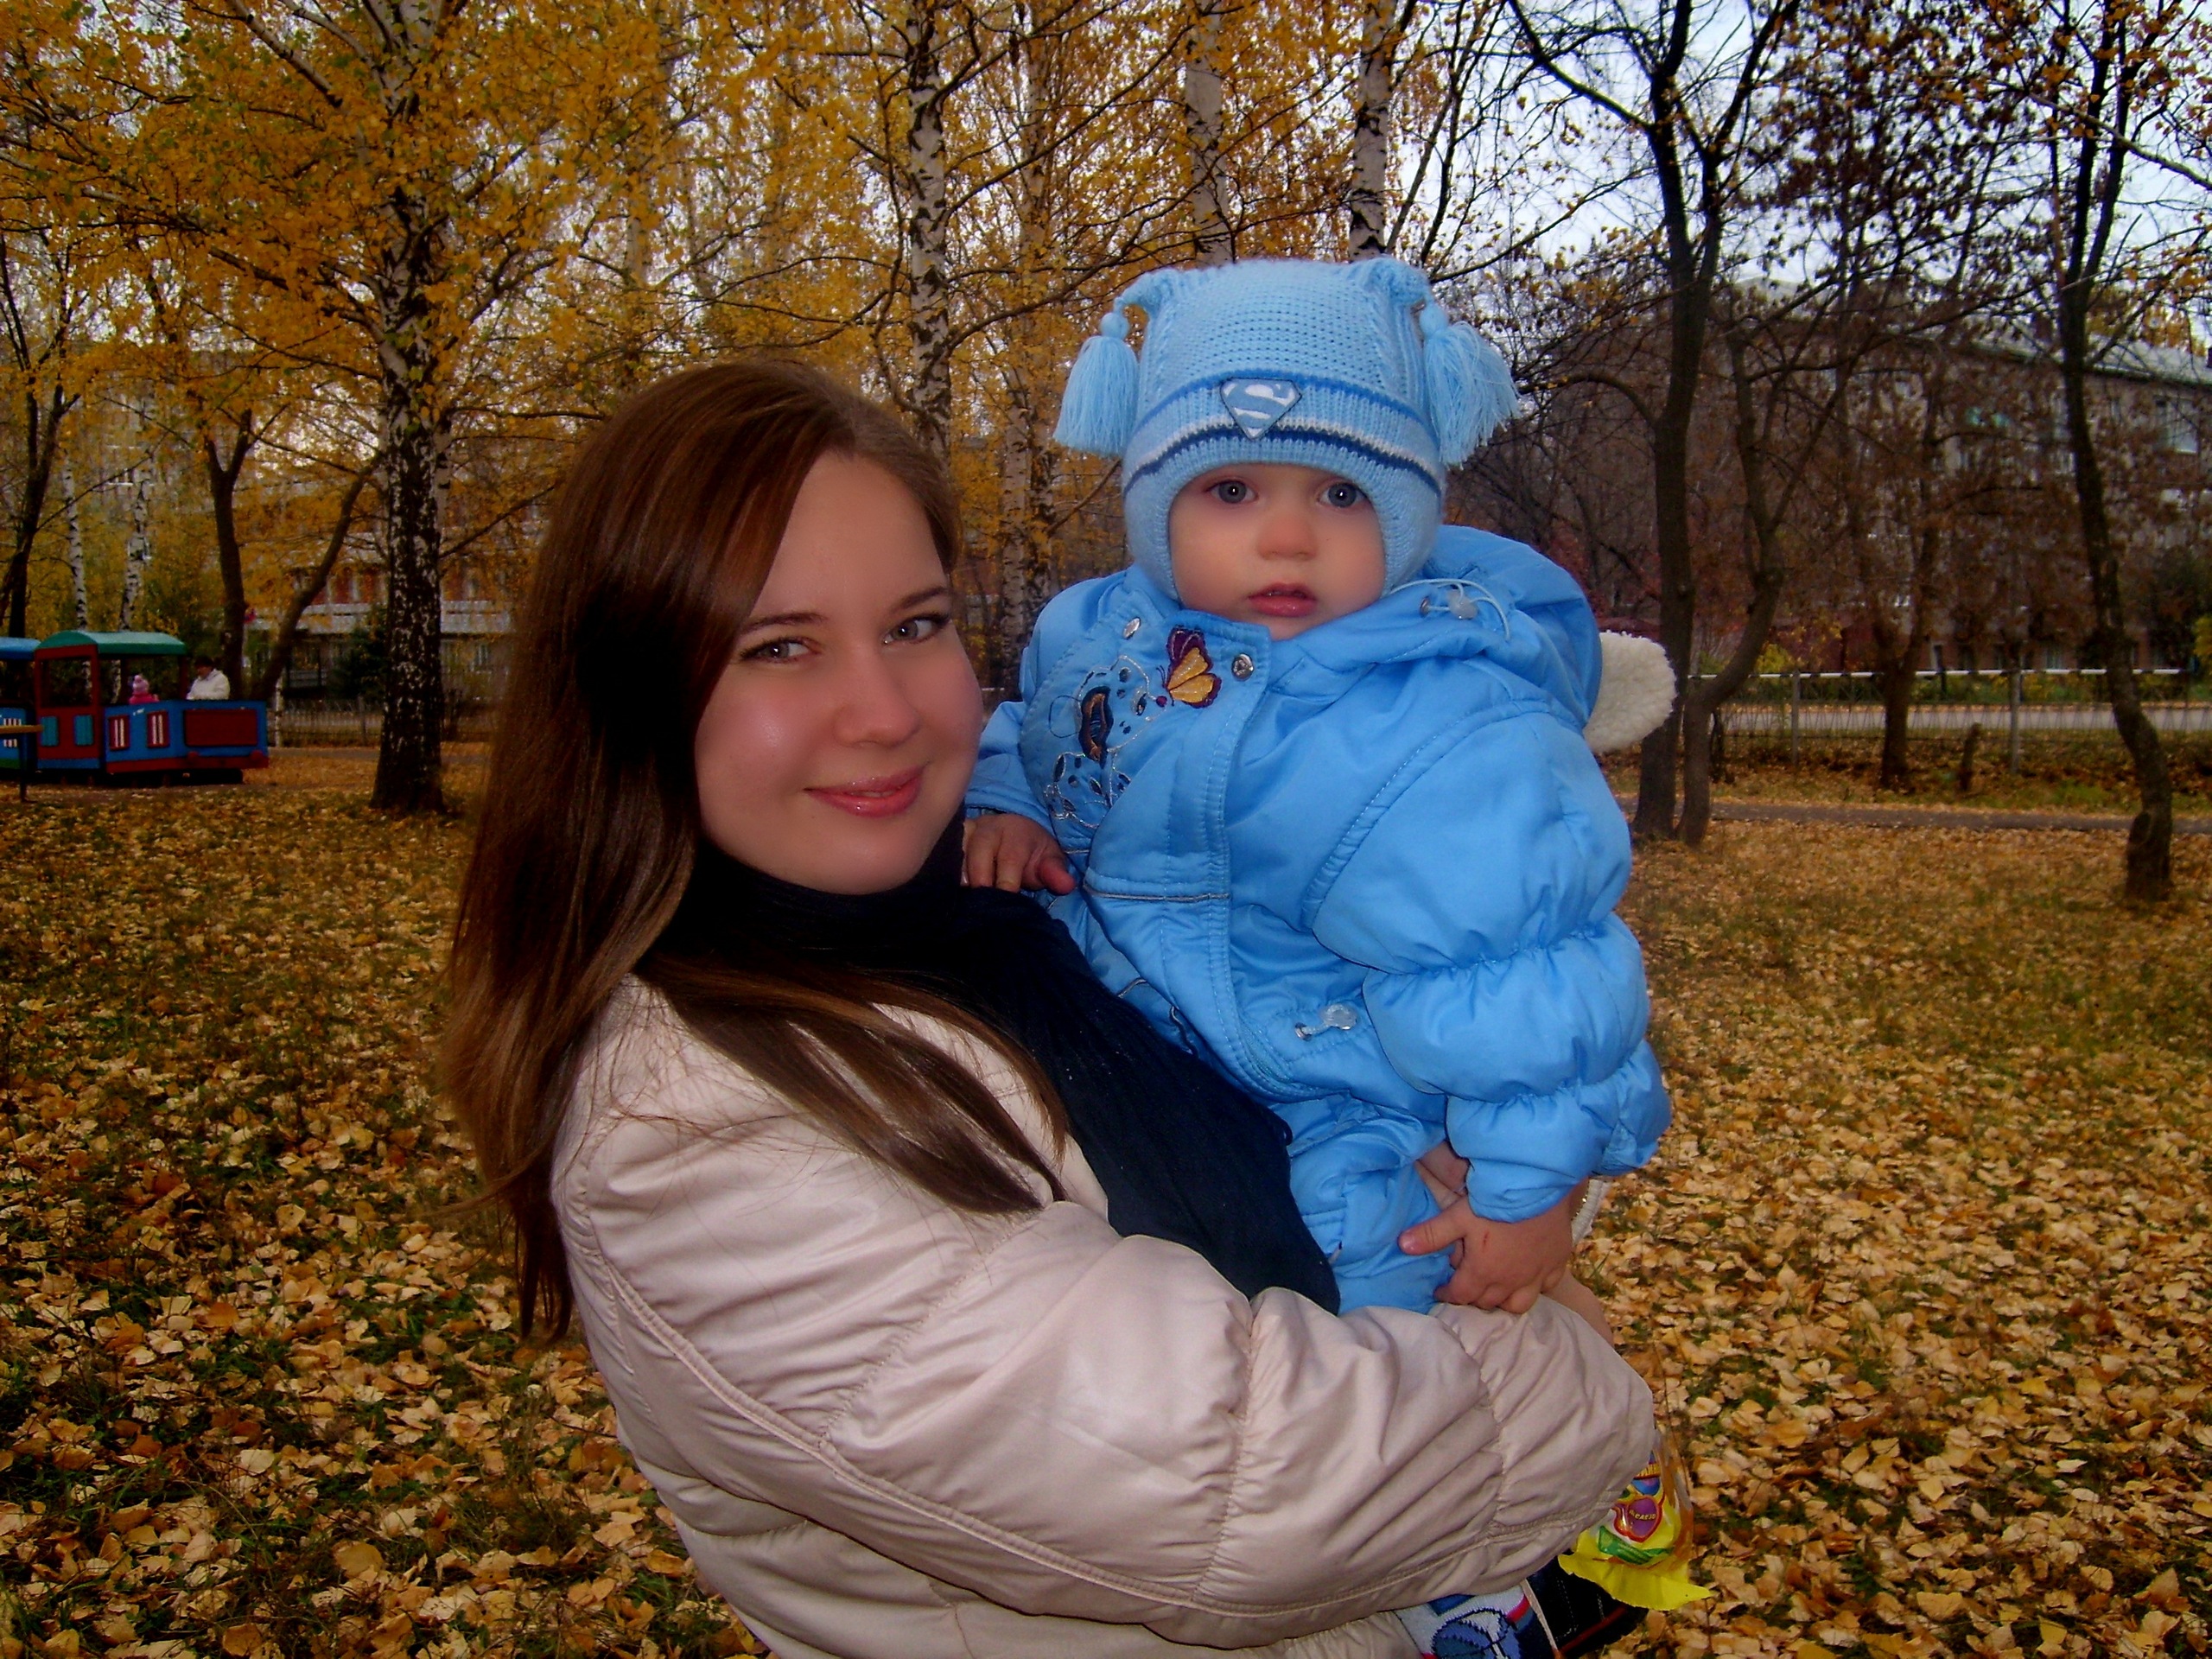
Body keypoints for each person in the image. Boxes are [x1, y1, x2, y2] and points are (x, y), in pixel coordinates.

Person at [443, 359, 1659, 1659]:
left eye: (915, 625)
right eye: (778, 647)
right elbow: (1258, 1488)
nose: (885, 714)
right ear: (628, 694)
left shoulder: (1004, 901)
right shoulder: (688, 1133)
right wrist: (1582, 1368)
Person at [961, 260, 1691, 1651]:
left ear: (1411, 510)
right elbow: (1038, 728)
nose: (1288, 538)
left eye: (1344, 494)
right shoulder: (1107, 638)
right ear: (1155, 502)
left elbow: (1530, 968)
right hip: (1179, 1054)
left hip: (1352, 1082)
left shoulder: (1436, 717)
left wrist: (1531, 1189)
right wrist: (1006, 802)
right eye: (1233, 490)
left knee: (1374, 1300)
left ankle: (1495, 1568)